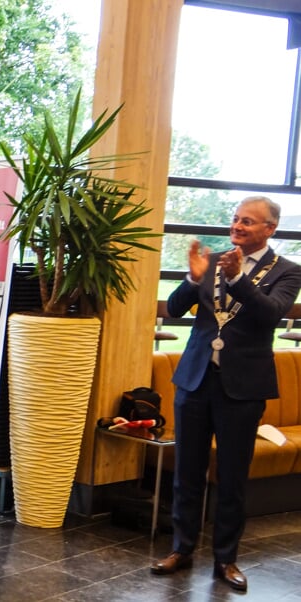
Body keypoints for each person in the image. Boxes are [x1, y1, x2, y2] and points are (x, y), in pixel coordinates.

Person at [150, 196, 301, 592]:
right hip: (196, 379)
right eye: (235, 219)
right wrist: (193, 279)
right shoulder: (212, 260)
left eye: (248, 221)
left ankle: (226, 559)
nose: (237, 226)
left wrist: (237, 280)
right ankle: (181, 549)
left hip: (243, 386)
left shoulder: (288, 271)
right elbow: (175, 311)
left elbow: (270, 314)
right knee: (186, 473)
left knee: (232, 477)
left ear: (270, 228)